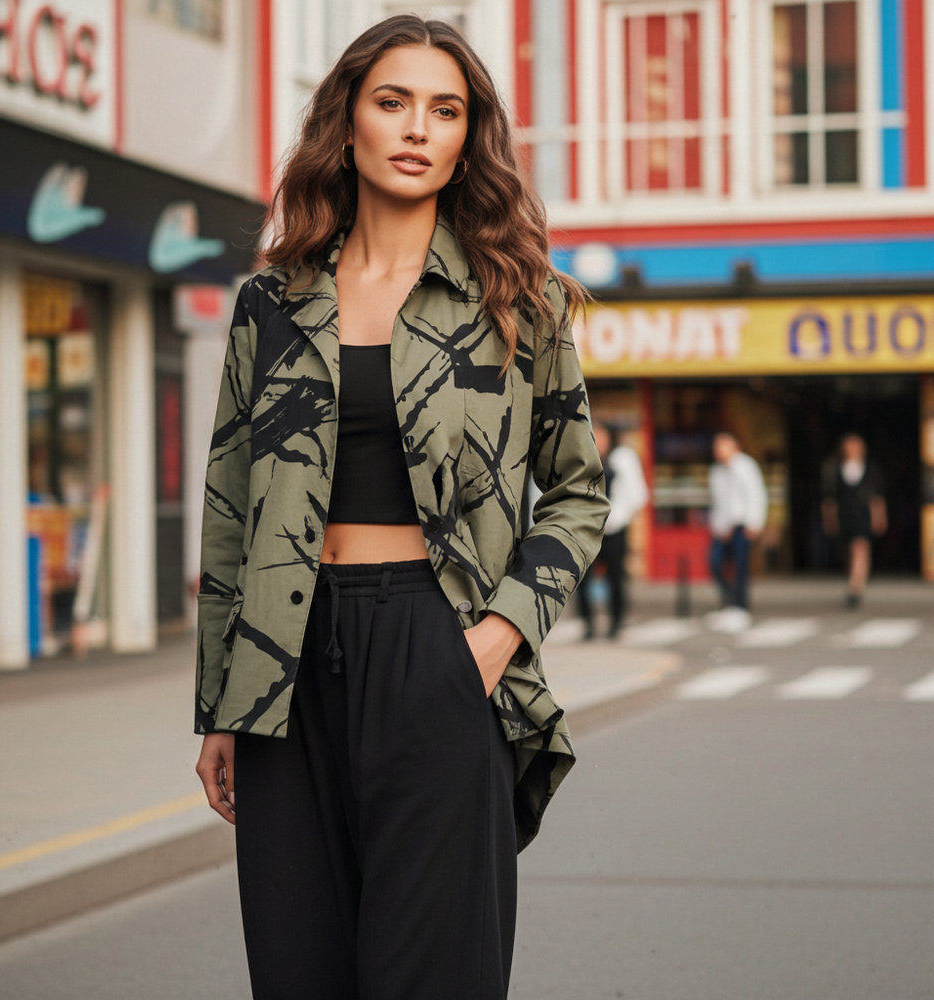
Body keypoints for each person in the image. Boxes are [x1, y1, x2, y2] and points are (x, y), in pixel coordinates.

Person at [192, 16, 609, 1000]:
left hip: (438, 643)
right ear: (348, 123)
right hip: (283, 667)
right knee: (301, 973)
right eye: (392, 102)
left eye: (445, 108)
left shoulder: (519, 298)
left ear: (469, 137)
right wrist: (221, 702)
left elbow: (581, 486)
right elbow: (228, 509)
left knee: (426, 977)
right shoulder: (272, 302)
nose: (418, 127)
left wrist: (500, 631)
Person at [577, 422, 649, 639]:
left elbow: (637, 494)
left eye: (602, 435)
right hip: (587, 530)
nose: (599, 440)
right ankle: (588, 624)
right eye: (594, 435)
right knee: (582, 579)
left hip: (615, 529)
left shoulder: (623, 459)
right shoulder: (581, 458)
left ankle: (616, 623)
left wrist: (619, 517)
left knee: (616, 577)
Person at [706, 432, 768, 632]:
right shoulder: (716, 471)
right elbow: (717, 502)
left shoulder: (745, 466)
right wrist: (718, 526)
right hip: (723, 527)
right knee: (715, 564)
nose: (719, 451)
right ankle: (729, 602)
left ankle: (741, 606)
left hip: (742, 525)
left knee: (741, 567)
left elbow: (756, 495)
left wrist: (755, 522)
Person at [821, 433, 886, 608]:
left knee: (860, 548)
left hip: (862, 515)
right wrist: (829, 519)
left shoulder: (870, 468)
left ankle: (856, 587)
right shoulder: (835, 469)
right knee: (848, 551)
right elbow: (829, 498)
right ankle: (854, 579)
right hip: (844, 516)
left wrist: (879, 516)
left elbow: (876, 497)